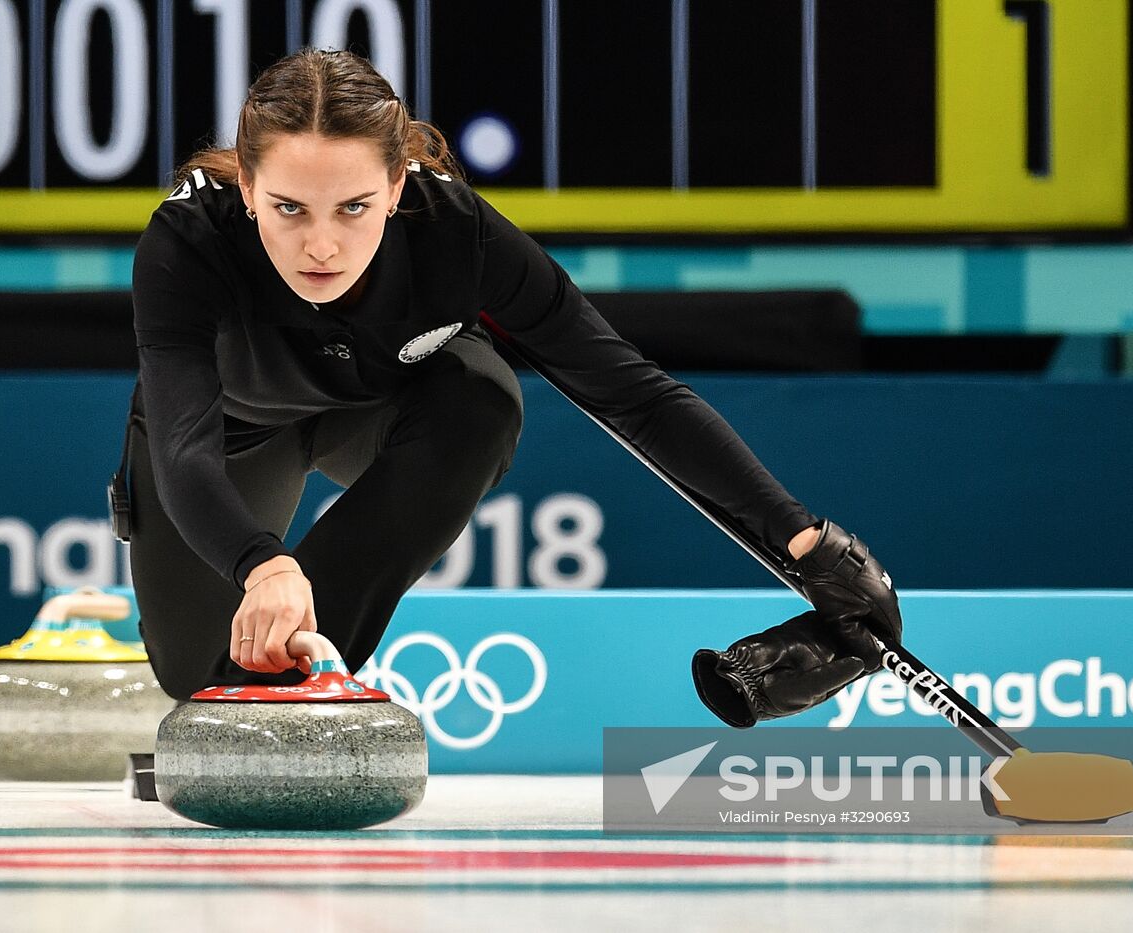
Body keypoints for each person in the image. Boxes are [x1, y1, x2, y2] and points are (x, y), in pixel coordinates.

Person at [123, 48, 901, 726]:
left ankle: (291, 691)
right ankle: (232, 679)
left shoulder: (455, 230)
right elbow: (185, 450)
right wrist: (266, 565)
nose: (320, 244)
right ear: (250, 189)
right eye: (289, 208)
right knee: (196, 680)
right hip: (231, 433)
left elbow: (634, 394)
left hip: (381, 415)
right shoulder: (188, 242)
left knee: (481, 397)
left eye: (354, 207)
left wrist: (805, 540)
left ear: (397, 188)